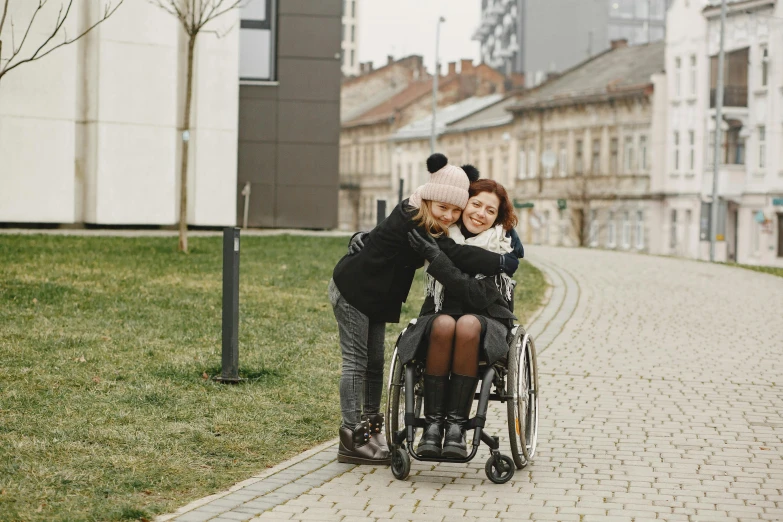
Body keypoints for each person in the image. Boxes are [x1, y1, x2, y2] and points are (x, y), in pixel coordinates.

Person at [328, 154, 520, 465]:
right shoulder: (419, 221)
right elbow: (456, 253)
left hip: (377, 296)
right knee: (356, 363)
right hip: (354, 290)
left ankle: (371, 431)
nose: (449, 215)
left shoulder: (441, 222)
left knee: (374, 365)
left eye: (455, 209)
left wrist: (508, 258)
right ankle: (352, 436)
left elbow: (389, 236)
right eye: (445, 208)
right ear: (429, 197)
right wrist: (503, 263)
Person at [397, 178, 523, 459]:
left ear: (498, 217)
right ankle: (432, 426)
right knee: (444, 323)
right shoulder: (438, 233)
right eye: (476, 204)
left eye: (490, 211)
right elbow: (396, 236)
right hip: (439, 316)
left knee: (466, 323)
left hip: (487, 321)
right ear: (462, 204)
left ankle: (456, 428)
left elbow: (476, 297)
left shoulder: (503, 247)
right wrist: (364, 240)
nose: (481, 213)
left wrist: (438, 258)